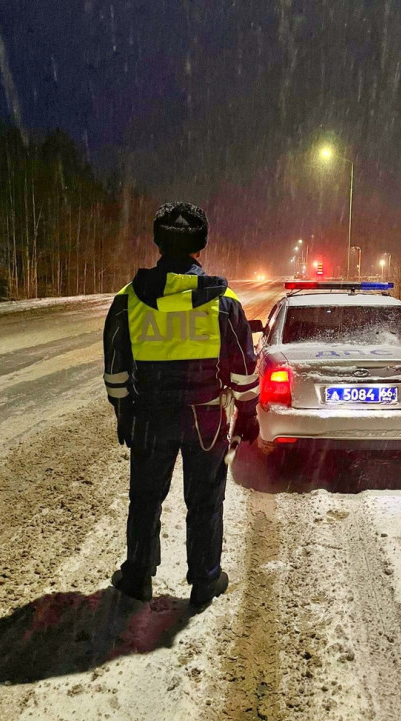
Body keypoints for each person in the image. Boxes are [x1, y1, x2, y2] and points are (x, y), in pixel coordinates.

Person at [103, 202, 259, 607]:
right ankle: (205, 580)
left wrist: (123, 411)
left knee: (146, 498)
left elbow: (116, 369)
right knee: (205, 500)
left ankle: (137, 576)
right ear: (200, 245)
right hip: (205, 415)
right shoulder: (223, 301)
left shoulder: (129, 299)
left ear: (157, 241)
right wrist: (247, 412)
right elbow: (243, 368)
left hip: (150, 416)